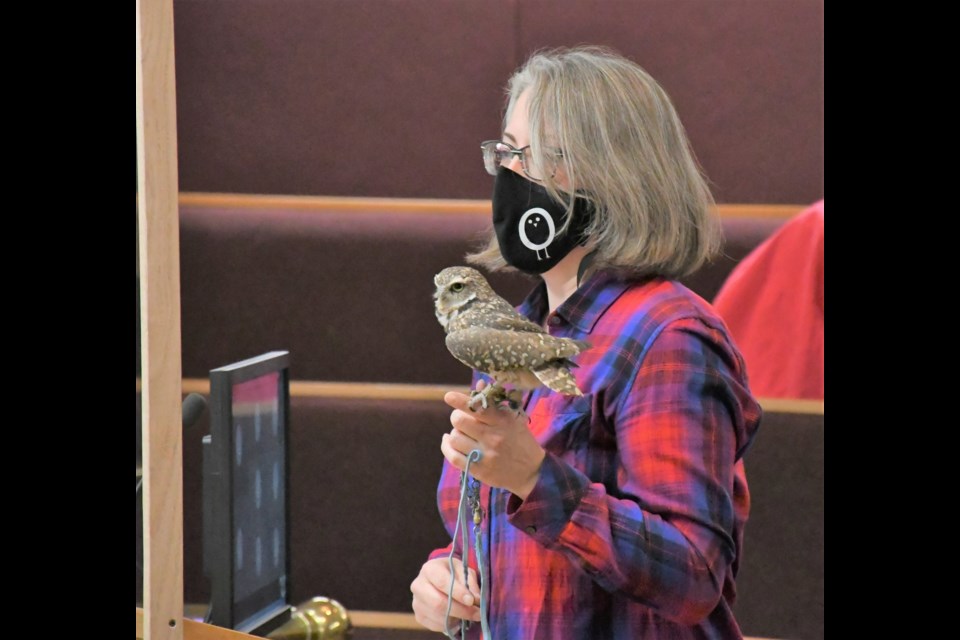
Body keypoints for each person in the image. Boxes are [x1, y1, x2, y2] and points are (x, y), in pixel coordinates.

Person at [410, 46, 762, 639]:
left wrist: (534, 478)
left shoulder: (668, 336)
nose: (513, 177)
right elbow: (514, 539)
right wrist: (449, 575)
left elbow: (694, 573)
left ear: (615, 174)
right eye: (507, 154)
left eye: (539, 157)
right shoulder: (518, 326)